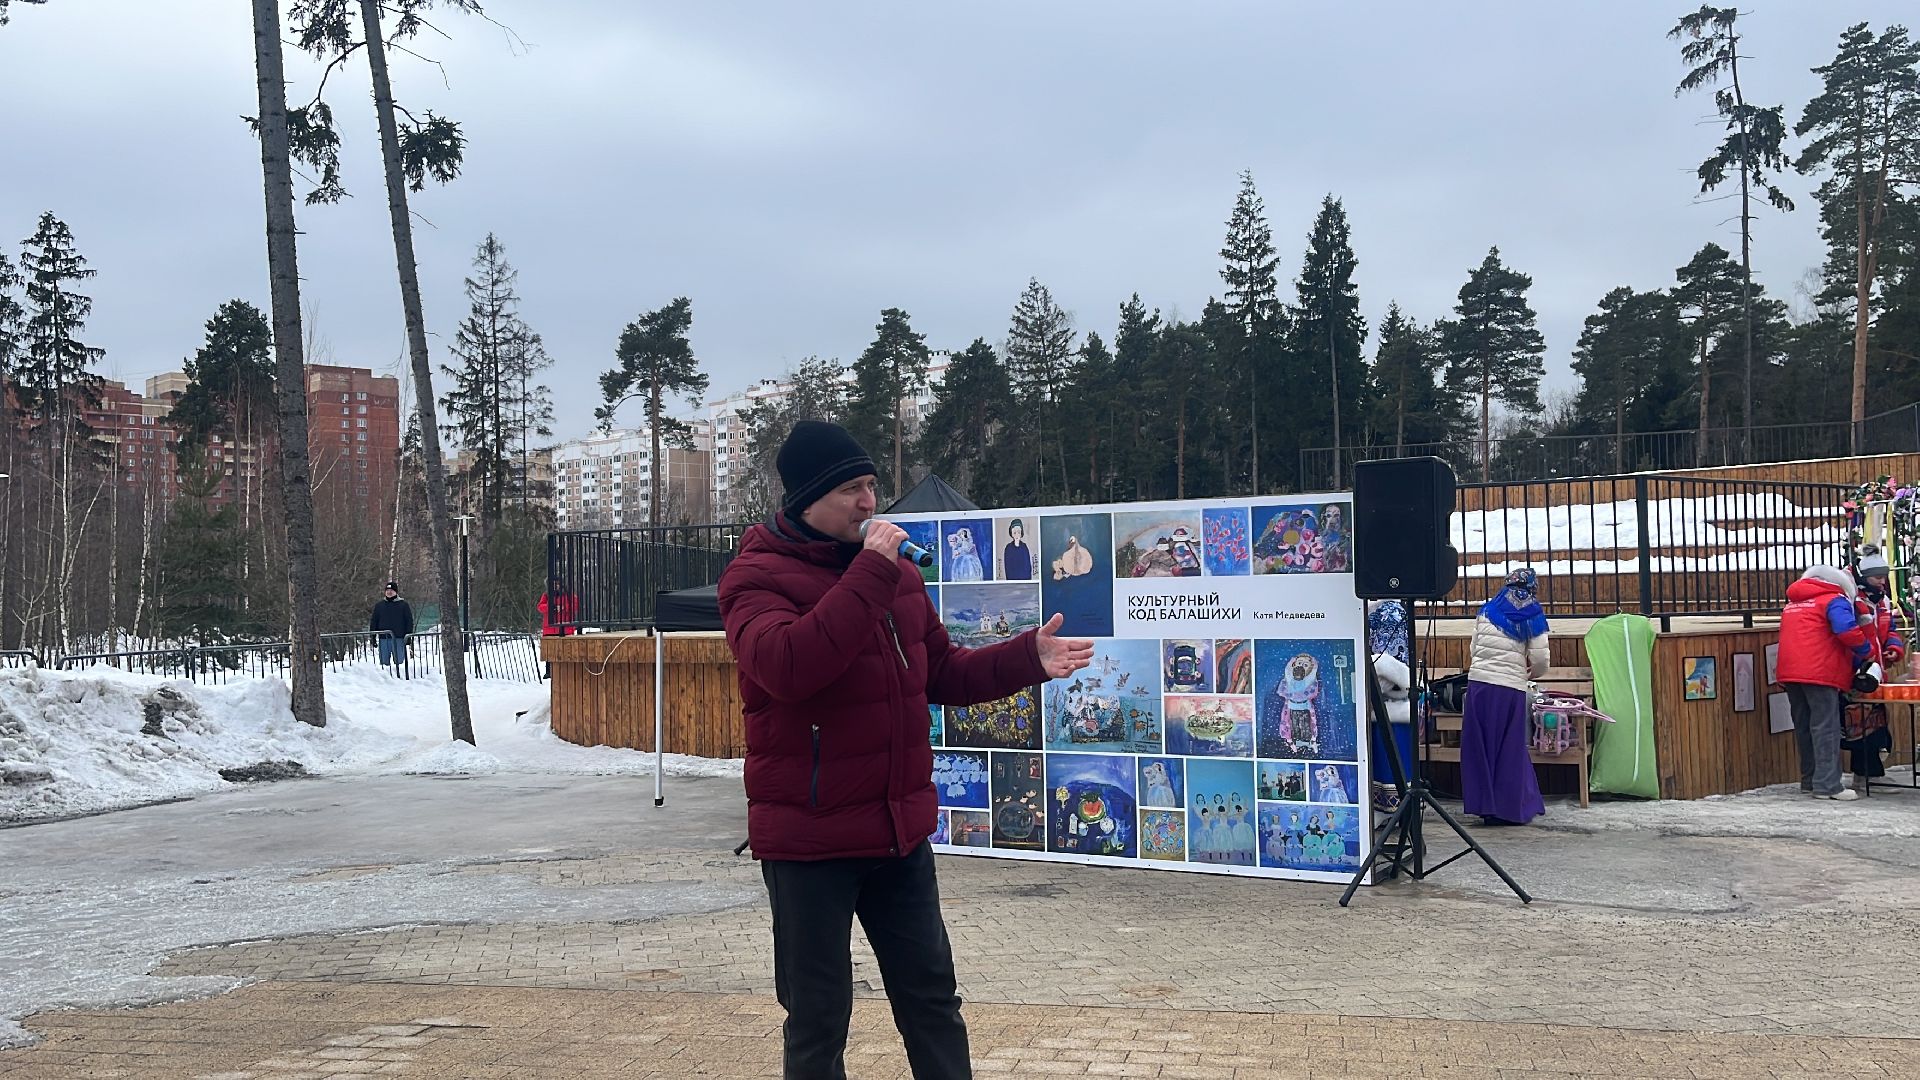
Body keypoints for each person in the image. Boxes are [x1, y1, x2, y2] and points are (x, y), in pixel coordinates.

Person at [717, 420, 1093, 1080]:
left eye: (872, 485)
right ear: (807, 498)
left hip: (898, 836)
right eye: (852, 490)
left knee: (932, 1003)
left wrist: (1024, 658)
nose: (870, 502)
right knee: (817, 1019)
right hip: (809, 844)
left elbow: (942, 672)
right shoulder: (754, 579)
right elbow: (790, 668)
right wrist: (869, 571)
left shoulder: (894, 578)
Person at [1461, 568, 1549, 825]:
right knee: (1509, 748)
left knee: (1481, 747)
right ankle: (1508, 809)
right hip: (1510, 688)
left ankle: (1484, 806)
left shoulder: (1487, 610)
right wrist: (1533, 672)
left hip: (1479, 685)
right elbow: (1541, 659)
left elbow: (1474, 648)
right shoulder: (1533, 614)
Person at [1779, 564, 1874, 801]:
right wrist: (1866, 649)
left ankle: (1810, 781)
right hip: (1820, 672)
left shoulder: (1794, 602)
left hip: (1790, 672)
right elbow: (1846, 629)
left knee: (1804, 726)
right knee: (1826, 727)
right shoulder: (1833, 599)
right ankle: (1828, 785)